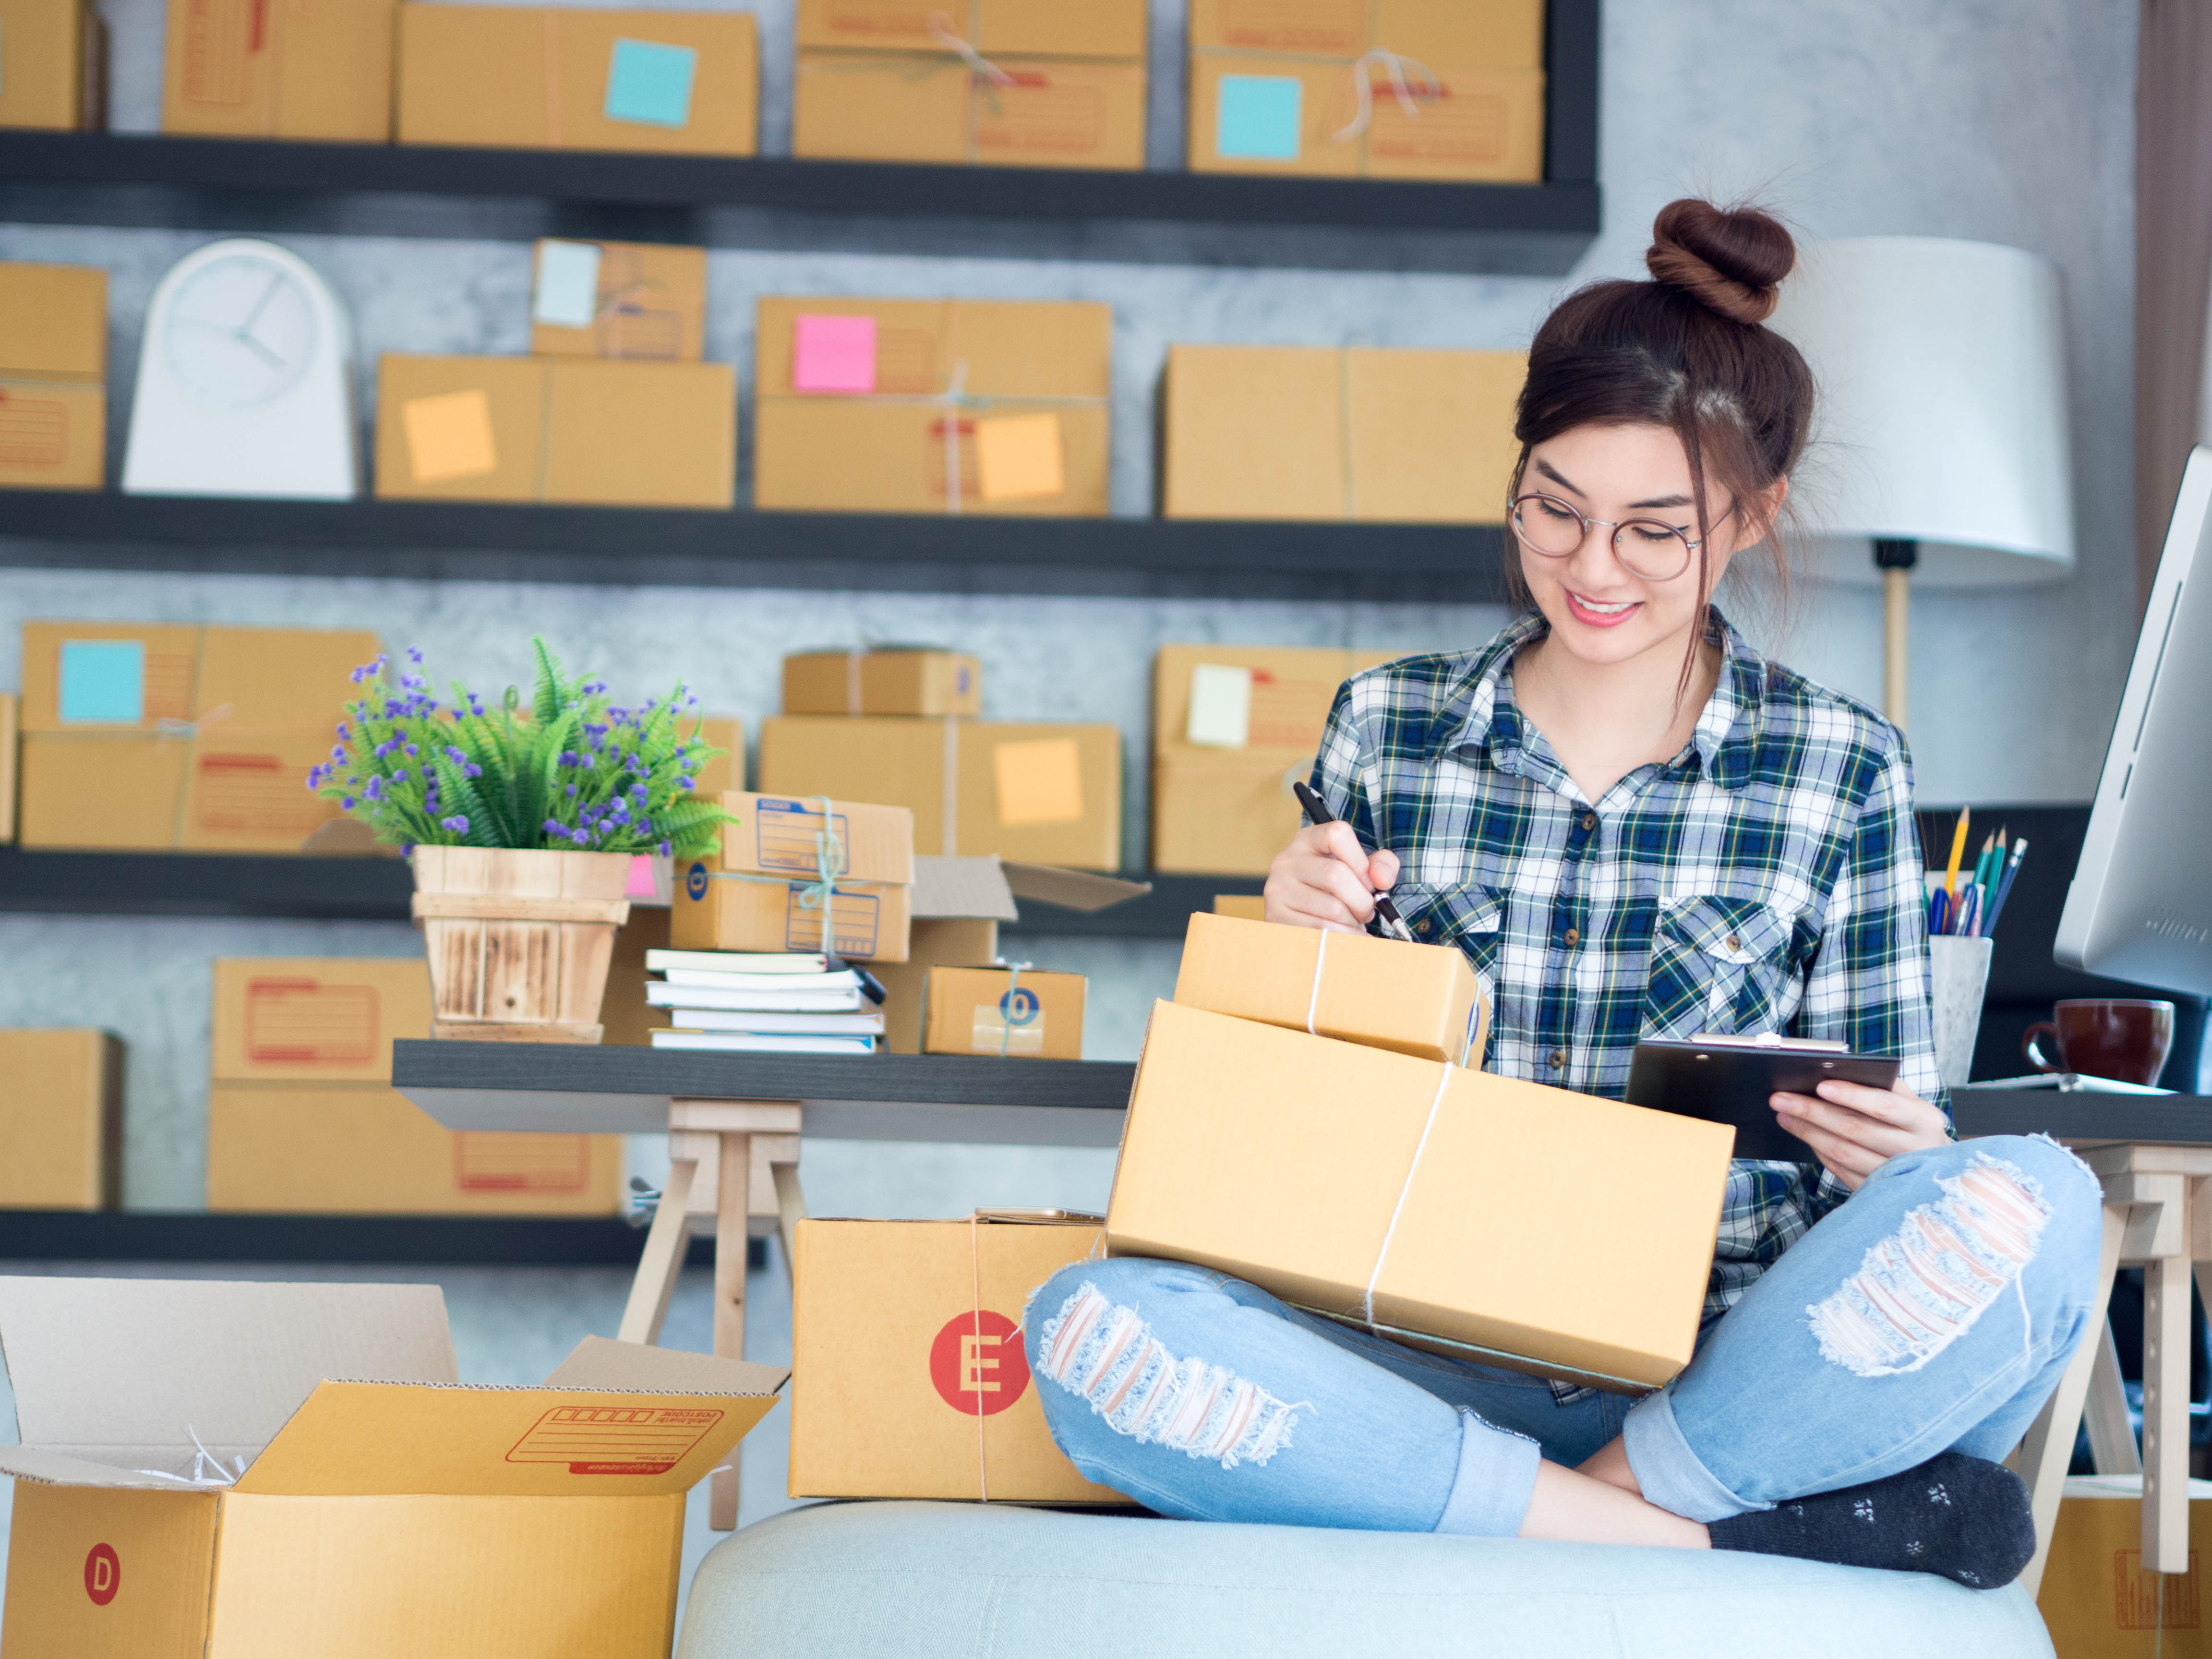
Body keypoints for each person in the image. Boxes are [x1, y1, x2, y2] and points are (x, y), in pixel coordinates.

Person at [1024, 199, 2100, 1588]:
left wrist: (1900, 1152)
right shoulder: (1385, 728)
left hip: (1715, 1380)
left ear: (1754, 517)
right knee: (1090, 1327)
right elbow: (1280, 1140)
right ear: (1518, 474)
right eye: (1557, 508)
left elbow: (1893, 1206)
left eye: (1658, 531)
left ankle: (1577, 1505)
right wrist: (1293, 945)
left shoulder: (1841, 767)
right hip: (1417, 1359)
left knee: (2035, 1200)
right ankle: (1699, 1547)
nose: (1594, 569)